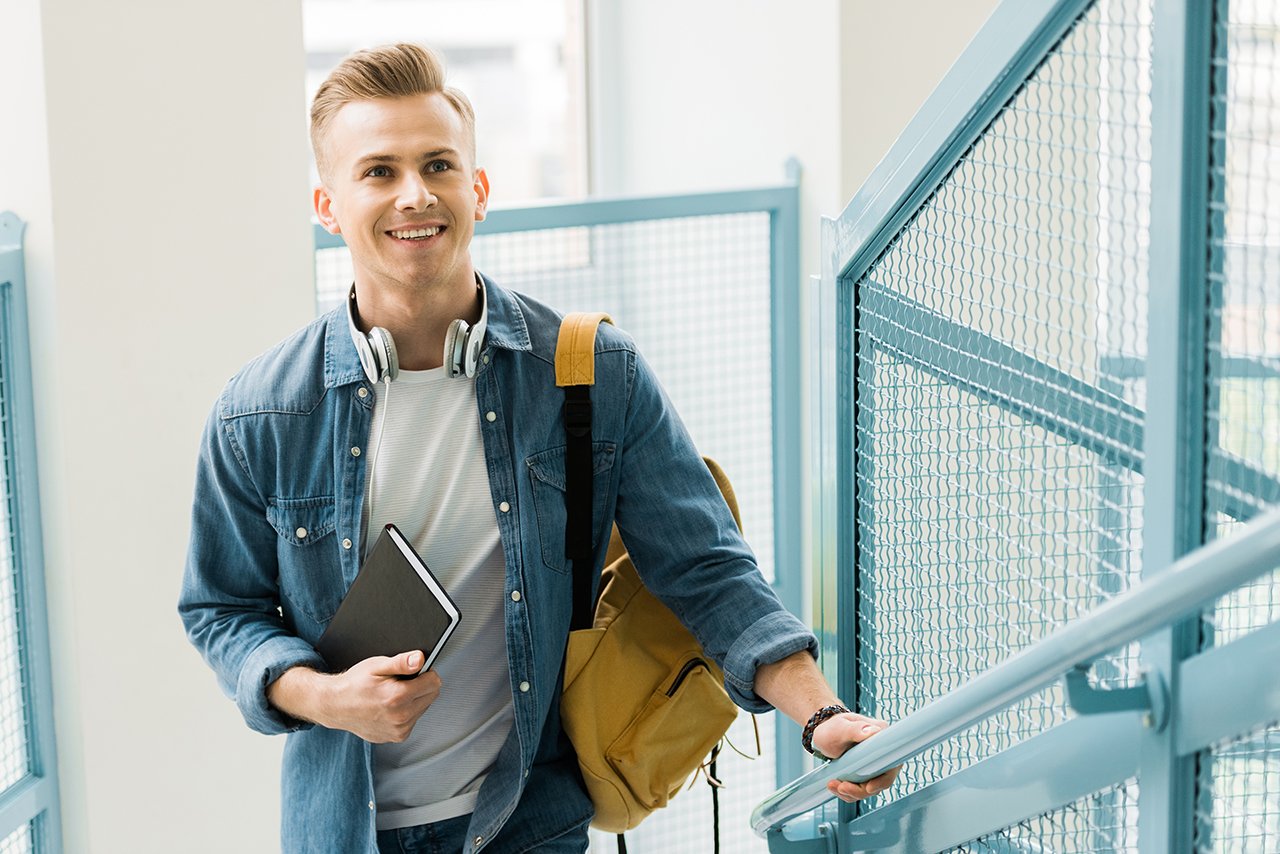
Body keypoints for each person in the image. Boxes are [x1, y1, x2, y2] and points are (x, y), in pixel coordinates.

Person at [179, 42, 898, 854]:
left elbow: (707, 568)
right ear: (326, 204)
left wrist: (823, 714)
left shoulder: (592, 376)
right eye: (378, 171)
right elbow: (221, 608)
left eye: (438, 165)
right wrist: (320, 696)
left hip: (525, 824)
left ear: (477, 190)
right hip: (340, 832)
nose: (414, 194)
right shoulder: (260, 414)